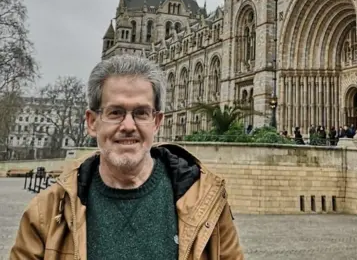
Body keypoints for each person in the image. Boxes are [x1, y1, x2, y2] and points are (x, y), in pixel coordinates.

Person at [10, 55, 244, 260]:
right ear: (92, 122)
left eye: (141, 113)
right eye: (115, 112)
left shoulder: (209, 203)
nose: (128, 126)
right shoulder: (44, 213)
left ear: (157, 122)